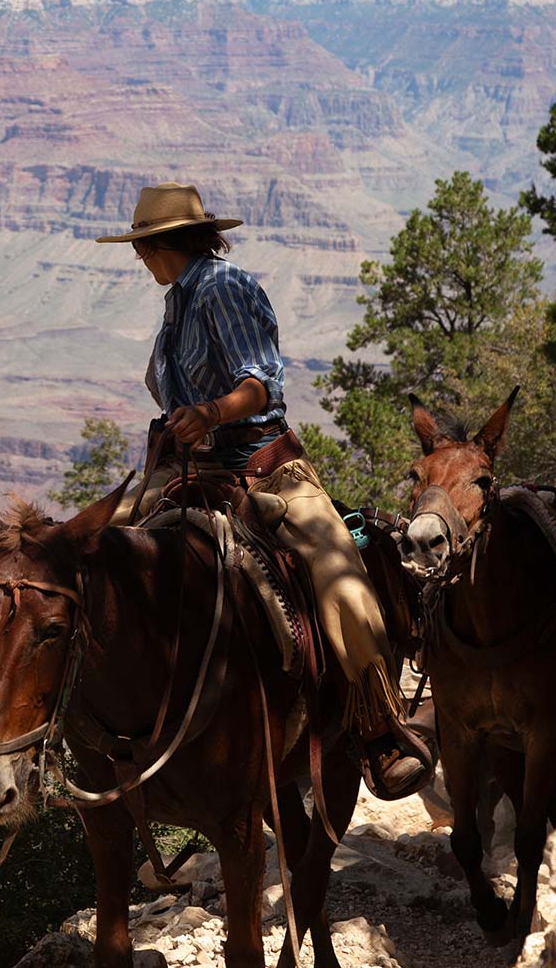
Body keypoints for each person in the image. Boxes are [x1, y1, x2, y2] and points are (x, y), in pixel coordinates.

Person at [96, 181, 431, 799]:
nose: (140, 258)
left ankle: (377, 728)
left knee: (342, 582)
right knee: (90, 556)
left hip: (261, 467)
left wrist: (211, 414)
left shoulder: (225, 287)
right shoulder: (177, 300)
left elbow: (261, 385)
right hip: (186, 473)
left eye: (144, 246)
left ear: (167, 243)